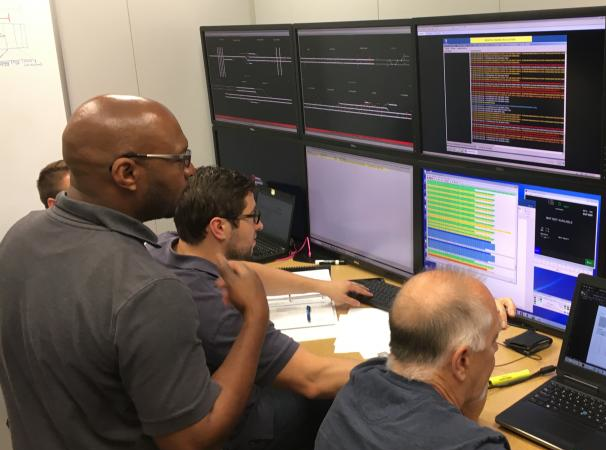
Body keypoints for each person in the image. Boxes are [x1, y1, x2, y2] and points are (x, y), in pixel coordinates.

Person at [0, 94, 270, 450]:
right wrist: (255, 317)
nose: (191, 170)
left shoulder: (19, 236)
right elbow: (193, 438)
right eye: (181, 158)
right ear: (126, 173)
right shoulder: (148, 289)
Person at [147, 165, 369, 450]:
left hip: (194, 401)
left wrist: (323, 287)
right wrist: (400, 369)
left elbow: (241, 270)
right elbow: (313, 378)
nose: (260, 226)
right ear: (219, 227)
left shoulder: (168, 246)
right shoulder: (216, 305)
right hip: (242, 427)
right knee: (329, 399)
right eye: (253, 217)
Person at [315, 269, 511, 450]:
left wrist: (483, 321)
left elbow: (463, 420)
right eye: (493, 341)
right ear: (461, 361)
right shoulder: (478, 446)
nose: (494, 349)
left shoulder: (358, 382)